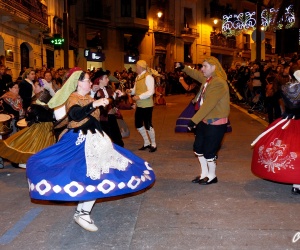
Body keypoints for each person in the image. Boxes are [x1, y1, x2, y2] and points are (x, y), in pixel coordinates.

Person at [26, 70, 156, 232]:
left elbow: (98, 110)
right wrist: (94, 104)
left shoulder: (89, 97)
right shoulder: (73, 97)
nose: (90, 83)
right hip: (79, 141)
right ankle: (83, 213)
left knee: (101, 174)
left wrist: (111, 99)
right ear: (78, 83)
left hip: (95, 140)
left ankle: (82, 211)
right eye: (87, 80)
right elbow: (75, 114)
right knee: (91, 175)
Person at [175, 56, 230, 185]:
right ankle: (204, 174)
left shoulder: (219, 83)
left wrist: (193, 121)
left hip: (215, 122)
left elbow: (209, 104)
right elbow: (196, 74)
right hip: (205, 120)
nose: (202, 69)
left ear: (213, 68)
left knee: (209, 150)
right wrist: (184, 68)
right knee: (198, 148)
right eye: (202, 66)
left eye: (205, 66)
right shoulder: (208, 79)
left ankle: (212, 176)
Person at [251, 65, 300, 195]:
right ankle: (297, 183)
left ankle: (296, 183)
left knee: (291, 149)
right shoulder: (288, 87)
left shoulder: (286, 87)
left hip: (288, 120)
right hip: (294, 121)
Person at [0, 80, 55, 168]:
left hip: (42, 126)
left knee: (32, 145)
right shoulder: (41, 96)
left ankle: (33, 164)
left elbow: (41, 112)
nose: (34, 88)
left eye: (36, 86)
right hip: (42, 125)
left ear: (42, 88)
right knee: (33, 145)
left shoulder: (41, 97)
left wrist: (30, 111)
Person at [126, 60, 157, 152]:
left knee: (148, 124)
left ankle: (154, 144)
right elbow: (135, 90)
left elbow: (151, 91)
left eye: (136, 66)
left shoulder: (148, 77)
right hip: (140, 104)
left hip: (147, 105)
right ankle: (147, 142)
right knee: (138, 124)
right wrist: (130, 91)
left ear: (140, 67)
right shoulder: (138, 77)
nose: (135, 67)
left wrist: (139, 97)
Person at [92, 70, 124, 147]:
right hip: (101, 120)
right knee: (104, 141)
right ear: (100, 80)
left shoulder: (108, 90)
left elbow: (115, 103)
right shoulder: (95, 91)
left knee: (118, 140)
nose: (108, 80)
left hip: (111, 118)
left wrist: (119, 95)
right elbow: (94, 107)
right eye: (106, 78)